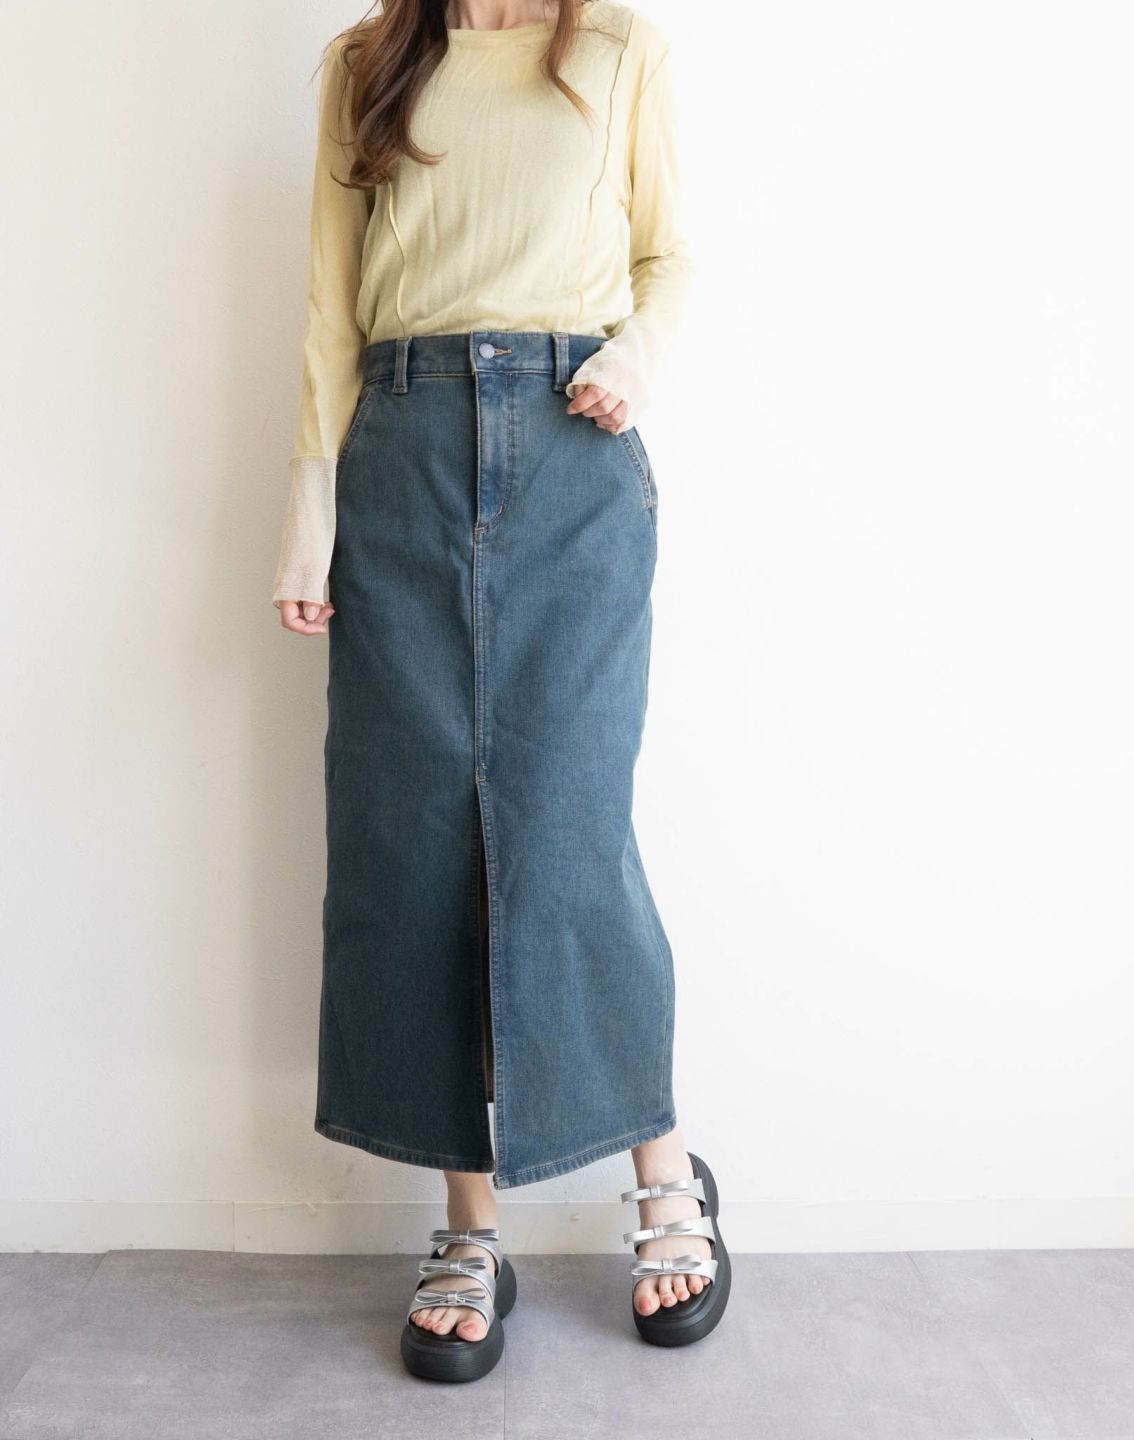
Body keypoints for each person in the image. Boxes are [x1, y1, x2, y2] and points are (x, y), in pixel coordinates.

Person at [271, 0, 731, 1381]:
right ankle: (470, 1225)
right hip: (401, 451)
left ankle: (665, 1173)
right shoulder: (366, 61)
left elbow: (669, 255)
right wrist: (309, 518)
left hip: (573, 446)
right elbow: (329, 304)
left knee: (570, 826)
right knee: (416, 843)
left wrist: (630, 360)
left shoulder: (619, 49)